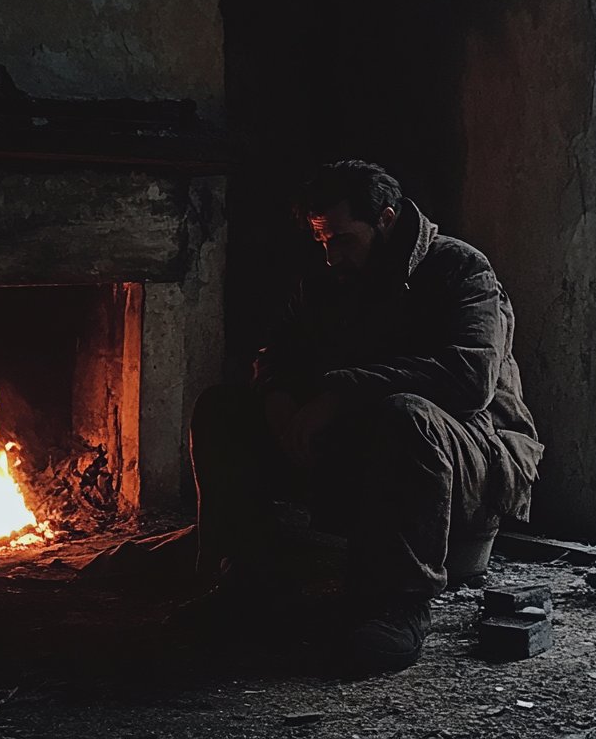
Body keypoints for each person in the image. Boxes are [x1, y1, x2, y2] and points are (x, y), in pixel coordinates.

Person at [187, 160, 544, 673]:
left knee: (406, 415)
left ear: (387, 219)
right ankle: (247, 583)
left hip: (471, 457)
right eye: (322, 241)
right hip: (366, 453)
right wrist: (278, 400)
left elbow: (470, 379)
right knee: (222, 409)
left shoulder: (461, 269)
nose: (331, 256)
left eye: (343, 239)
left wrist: (339, 393)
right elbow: (278, 353)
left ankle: (398, 606)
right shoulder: (329, 278)